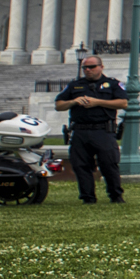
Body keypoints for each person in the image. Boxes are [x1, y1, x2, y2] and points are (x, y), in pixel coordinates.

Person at [53, 54, 128, 204]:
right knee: (81, 165)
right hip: (80, 131)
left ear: (101, 67)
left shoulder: (112, 84)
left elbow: (123, 103)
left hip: (103, 131)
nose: (88, 70)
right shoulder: (75, 85)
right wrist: (73, 102)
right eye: (85, 67)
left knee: (109, 164)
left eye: (92, 67)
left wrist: (97, 102)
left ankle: (115, 196)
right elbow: (59, 105)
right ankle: (88, 197)